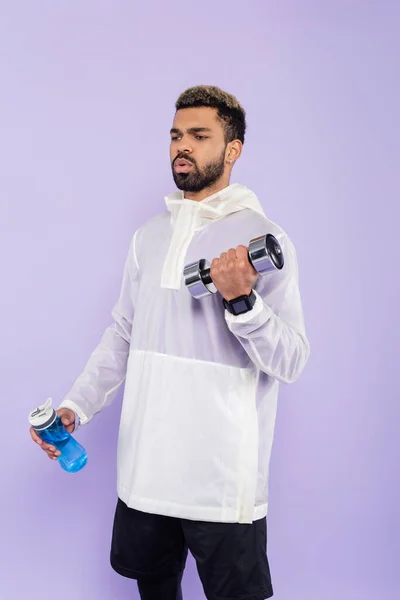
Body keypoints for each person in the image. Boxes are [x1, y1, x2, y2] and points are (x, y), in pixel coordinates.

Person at [30, 85, 310, 600]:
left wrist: (243, 302)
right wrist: (76, 406)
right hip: (146, 470)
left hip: (222, 478)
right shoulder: (149, 236)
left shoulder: (264, 237)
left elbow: (291, 360)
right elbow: (122, 335)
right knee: (155, 587)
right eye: (177, 135)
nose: (183, 146)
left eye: (200, 136)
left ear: (232, 150)